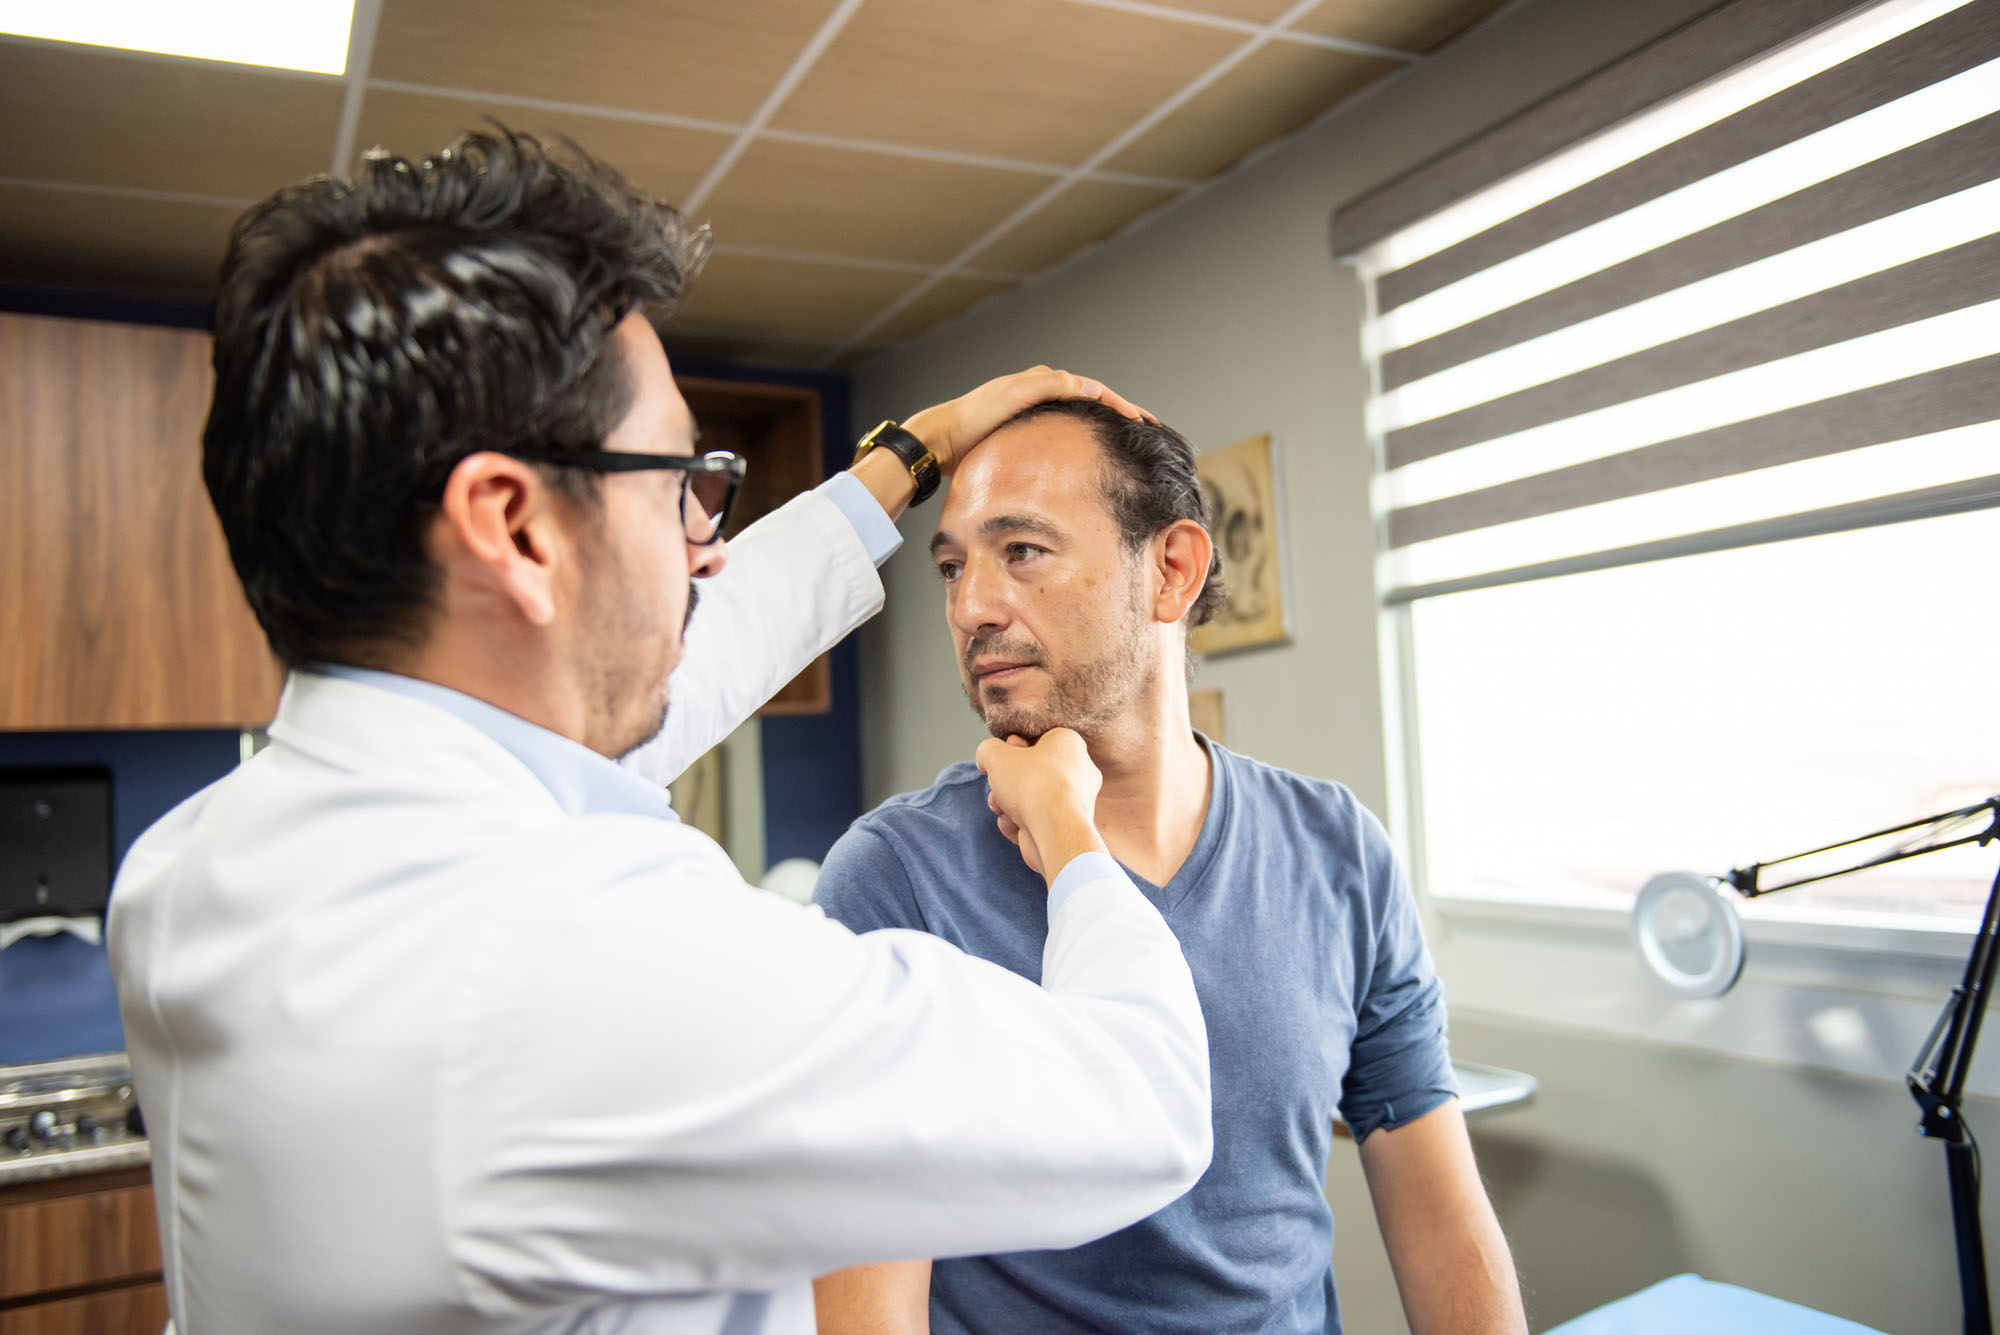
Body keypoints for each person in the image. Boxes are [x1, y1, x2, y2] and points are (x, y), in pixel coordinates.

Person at [106, 130, 1216, 1335]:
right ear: (515, 528)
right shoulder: (579, 956)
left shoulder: (190, 869)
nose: (709, 543)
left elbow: (676, 659)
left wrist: (907, 457)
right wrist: (1069, 833)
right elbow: (1142, 1100)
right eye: (677, 479)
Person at [811, 400, 1527, 1335]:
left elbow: (1441, 1216)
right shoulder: (895, 878)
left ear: (1173, 571)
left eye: (1021, 549)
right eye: (952, 565)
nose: (969, 606)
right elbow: (870, 1308)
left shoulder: (1338, 849)